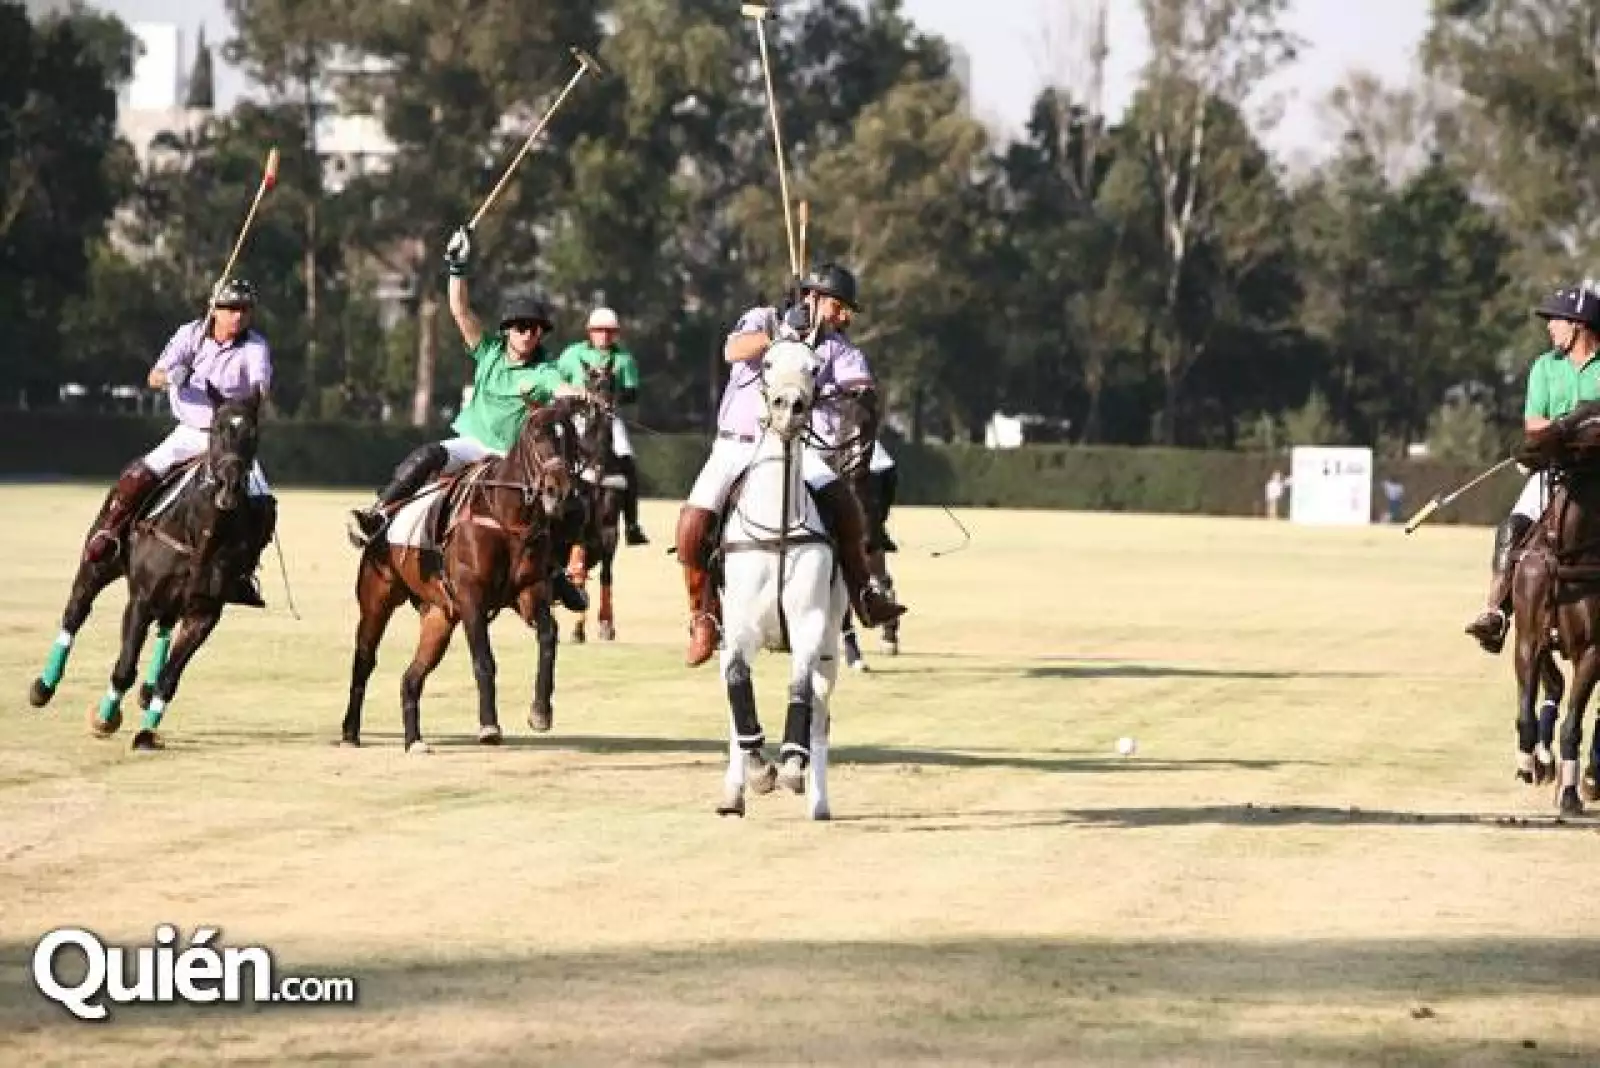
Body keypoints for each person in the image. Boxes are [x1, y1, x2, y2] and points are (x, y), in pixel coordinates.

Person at [344, 226, 594, 610]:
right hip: (473, 443)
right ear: (507, 331)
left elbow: (560, 386)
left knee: (571, 504)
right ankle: (378, 516)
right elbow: (459, 309)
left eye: (536, 329)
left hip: (513, 460)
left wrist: (580, 393)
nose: (529, 335)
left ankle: (555, 572)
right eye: (522, 327)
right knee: (427, 456)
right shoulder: (489, 352)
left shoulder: (543, 370)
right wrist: (456, 266)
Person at [673, 262, 907, 667]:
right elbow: (732, 350)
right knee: (692, 527)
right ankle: (704, 616)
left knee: (848, 511)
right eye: (839, 305)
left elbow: (861, 388)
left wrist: (848, 392)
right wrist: (781, 334)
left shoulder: (837, 347)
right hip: (737, 445)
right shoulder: (762, 318)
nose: (845, 316)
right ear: (813, 298)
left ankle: (864, 594)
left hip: (797, 450)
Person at [79, 277, 276, 607]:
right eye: (230, 309)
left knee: (262, 501)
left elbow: (261, 386)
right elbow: (154, 376)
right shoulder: (190, 335)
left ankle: (243, 573)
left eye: (244, 309)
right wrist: (174, 375)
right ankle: (110, 534)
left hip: (229, 442)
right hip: (190, 432)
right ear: (214, 310)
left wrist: (242, 404)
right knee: (139, 474)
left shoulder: (255, 347)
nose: (238, 316)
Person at [1466, 282, 1600, 654]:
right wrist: (1573, 423)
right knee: (1512, 528)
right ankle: (1496, 612)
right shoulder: (1545, 367)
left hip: (1599, 471)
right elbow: (1534, 423)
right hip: (1556, 468)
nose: (1549, 327)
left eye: (1555, 320)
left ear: (1578, 324)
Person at [555, 306, 649, 545]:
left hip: (608, 416)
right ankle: (553, 509)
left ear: (616, 334)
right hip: (576, 414)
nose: (604, 336)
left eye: (609, 331)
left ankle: (632, 524)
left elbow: (632, 393)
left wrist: (613, 398)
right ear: (590, 332)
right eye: (599, 331)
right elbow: (555, 381)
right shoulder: (571, 354)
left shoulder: (624, 360)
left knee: (627, 457)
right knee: (554, 452)